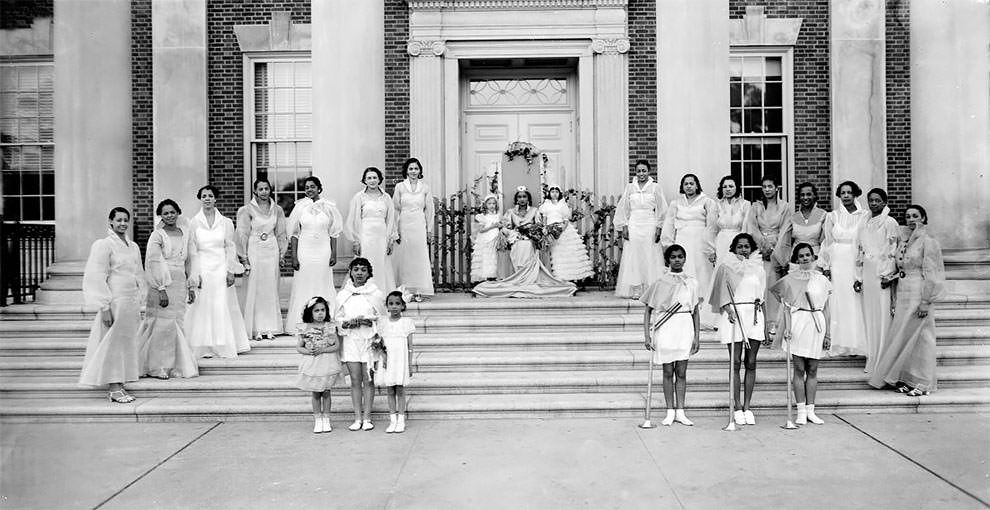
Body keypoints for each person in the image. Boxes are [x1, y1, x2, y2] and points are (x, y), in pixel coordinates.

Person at [869, 205, 945, 396]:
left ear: (924, 217)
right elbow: (902, 268)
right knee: (904, 336)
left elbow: (932, 274)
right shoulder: (905, 241)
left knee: (922, 338)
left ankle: (923, 382)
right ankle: (907, 379)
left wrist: (926, 301)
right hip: (904, 292)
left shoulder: (928, 242)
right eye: (908, 216)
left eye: (915, 216)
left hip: (920, 293)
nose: (911, 219)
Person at [79, 207, 147, 403]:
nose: (123, 223)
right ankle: (114, 387)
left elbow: (138, 273)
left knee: (126, 341)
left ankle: (121, 381)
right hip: (115, 299)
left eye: (126, 220)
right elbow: (96, 275)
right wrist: (104, 305)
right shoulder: (104, 245)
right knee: (112, 342)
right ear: (110, 222)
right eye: (118, 220)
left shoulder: (132, 246)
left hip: (130, 300)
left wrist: (140, 297)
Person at [708, 233, 767, 425]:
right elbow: (720, 294)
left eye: (747, 246)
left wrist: (765, 326)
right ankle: (737, 405)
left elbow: (762, 297)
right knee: (735, 362)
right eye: (740, 246)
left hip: (754, 316)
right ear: (734, 248)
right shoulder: (726, 267)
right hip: (734, 315)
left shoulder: (758, 269)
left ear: (751, 248)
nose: (743, 249)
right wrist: (728, 310)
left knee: (751, 363)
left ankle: (748, 406)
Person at [184, 185, 250, 359]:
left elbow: (230, 246)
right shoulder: (193, 222)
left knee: (221, 303)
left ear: (215, 199)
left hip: (221, 266)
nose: (207, 198)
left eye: (210, 195)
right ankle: (204, 345)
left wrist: (230, 270)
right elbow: (192, 250)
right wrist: (194, 273)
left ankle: (222, 344)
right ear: (200, 198)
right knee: (203, 304)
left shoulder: (226, 222)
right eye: (204, 195)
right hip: (203, 267)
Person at [136, 199, 199, 380]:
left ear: (178, 212)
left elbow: (189, 260)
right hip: (162, 284)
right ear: (160, 216)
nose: (170, 216)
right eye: (165, 213)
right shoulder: (157, 235)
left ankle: (174, 364)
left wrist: (191, 285)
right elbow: (154, 262)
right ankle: (156, 366)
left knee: (176, 322)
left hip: (179, 282)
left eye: (172, 212)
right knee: (161, 324)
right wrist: (161, 288)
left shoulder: (186, 233)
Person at [770, 243, 832, 425]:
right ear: (797, 259)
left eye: (808, 255)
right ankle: (800, 411)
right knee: (799, 369)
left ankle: (811, 411)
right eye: (801, 256)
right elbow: (786, 307)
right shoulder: (790, 279)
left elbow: (827, 308)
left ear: (813, 257)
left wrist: (828, 334)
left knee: (812, 369)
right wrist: (787, 329)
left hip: (816, 323)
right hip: (799, 323)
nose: (805, 258)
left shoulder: (822, 280)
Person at [641, 244, 701, 426]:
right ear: (667, 260)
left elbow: (695, 311)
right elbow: (648, 311)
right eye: (673, 257)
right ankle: (669, 411)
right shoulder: (660, 282)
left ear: (685, 258)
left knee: (681, 372)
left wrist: (697, 336)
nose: (677, 260)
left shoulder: (692, 282)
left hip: (684, 327)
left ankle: (681, 411)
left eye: (680, 256)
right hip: (666, 328)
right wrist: (647, 336)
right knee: (668, 371)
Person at [285, 176, 344, 334]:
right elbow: (295, 234)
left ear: (319, 188)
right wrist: (294, 256)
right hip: (305, 249)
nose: (309, 190)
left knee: (322, 281)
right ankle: (302, 321)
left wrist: (334, 253)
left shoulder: (329, 207)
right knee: (304, 282)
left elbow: (334, 232)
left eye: (312, 187)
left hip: (323, 249)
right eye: (307, 187)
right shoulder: (300, 207)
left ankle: (325, 320)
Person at [335, 257, 386, 431]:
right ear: (350, 271)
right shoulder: (343, 295)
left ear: (368, 273)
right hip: (351, 341)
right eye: (356, 269)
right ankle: (357, 417)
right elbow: (338, 319)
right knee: (355, 380)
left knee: (368, 379)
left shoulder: (376, 294)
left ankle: (367, 417)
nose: (359, 273)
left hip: (369, 341)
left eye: (363, 270)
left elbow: (381, 319)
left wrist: (369, 322)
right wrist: (349, 323)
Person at [821, 181, 869, 357]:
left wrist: (862, 267)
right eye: (843, 193)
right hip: (837, 261)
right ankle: (840, 343)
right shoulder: (832, 216)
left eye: (849, 192)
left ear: (855, 194)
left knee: (854, 300)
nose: (846, 195)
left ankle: (856, 343)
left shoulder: (864, 216)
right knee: (838, 300)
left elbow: (865, 241)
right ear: (839, 195)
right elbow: (827, 242)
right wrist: (826, 266)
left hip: (855, 261)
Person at [855, 188, 900, 373]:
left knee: (882, 315)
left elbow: (893, 249)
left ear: (884, 202)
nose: (874, 203)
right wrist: (857, 276)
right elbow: (859, 249)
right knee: (870, 315)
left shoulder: (890, 222)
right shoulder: (864, 222)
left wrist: (888, 275)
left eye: (877, 200)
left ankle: (883, 359)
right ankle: (872, 357)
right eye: (871, 200)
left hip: (882, 273)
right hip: (867, 272)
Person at [662, 174, 717, 326]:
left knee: (701, 273)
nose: (689, 186)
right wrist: (667, 244)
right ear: (682, 186)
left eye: (692, 183)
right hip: (682, 240)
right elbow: (669, 223)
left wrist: (711, 247)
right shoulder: (676, 203)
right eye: (686, 184)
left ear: (697, 185)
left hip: (700, 242)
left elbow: (712, 225)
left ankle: (703, 311)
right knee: (684, 271)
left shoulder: (707, 202)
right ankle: (681, 306)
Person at [236, 178, 288, 340]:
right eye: (261, 189)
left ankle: (270, 327)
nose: (264, 192)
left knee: (270, 287)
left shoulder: (277, 209)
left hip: (271, 248)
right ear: (255, 191)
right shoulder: (246, 210)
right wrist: (244, 258)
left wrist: (281, 254)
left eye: (266, 188)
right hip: (254, 247)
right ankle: (256, 328)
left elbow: (281, 233)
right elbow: (242, 234)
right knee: (256, 287)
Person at [615, 160, 667, 298]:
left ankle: (650, 287)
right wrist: (624, 226)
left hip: (649, 223)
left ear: (649, 171)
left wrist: (659, 227)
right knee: (634, 255)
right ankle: (636, 288)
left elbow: (662, 209)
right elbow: (624, 208)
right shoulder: (630, 187)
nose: (641, 174)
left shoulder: (656, 187)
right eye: (639, 171)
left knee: (650, 254)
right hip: (634, 224)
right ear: (635, 172)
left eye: (644, 171)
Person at [345, 167, 398, 293]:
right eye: (369, 178)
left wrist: (391, 240)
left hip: (382, 236)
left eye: (375, 177)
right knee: (366, 262)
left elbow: (391, 219)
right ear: (364, 180)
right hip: (365, 235)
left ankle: (382, 292)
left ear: (379, 179)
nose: (372, 180)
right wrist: (356, 240)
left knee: (382, 263)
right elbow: (352, 219)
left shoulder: (386, 198)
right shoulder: (359, 197)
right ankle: (364, 290)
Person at [294, 296, 343, 434]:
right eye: (316, 310)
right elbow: (299, 347)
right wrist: (308, 351)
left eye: (323, 310)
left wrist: (322, 350)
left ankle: (326, 419)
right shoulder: (305, 328)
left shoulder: (331, 327)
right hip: (313, 363)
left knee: (326, 392)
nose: (320, 313)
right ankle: (318, 419)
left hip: (327, 362)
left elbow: (336, 346)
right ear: (310, 312)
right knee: (316, 393)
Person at [749, 176, 790, 334]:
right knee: (759, 285)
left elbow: (786, 229)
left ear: (776, 188)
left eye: (770, 186)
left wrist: (775, 251)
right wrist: (763, 247)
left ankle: (773, 321)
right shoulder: (756, 207)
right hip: (760, 250)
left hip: (777, 250)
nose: (767, 189)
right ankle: (759, 320)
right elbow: (752, 227)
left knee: (773, 285)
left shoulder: (784, 207)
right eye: (764, 187)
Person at [392, 158, 435, 302]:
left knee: (419, 255)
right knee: (404, 256)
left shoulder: (425, 188)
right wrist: (395, 230)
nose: (413, 172)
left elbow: (429, 210)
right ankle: (404, 289)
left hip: (418, 224)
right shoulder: (400, 187)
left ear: (420, 171)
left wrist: (429, 230)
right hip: (404, 224)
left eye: (416, 169)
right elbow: (395, 209)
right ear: (406, 171)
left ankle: (419, 289)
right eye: (411, 169)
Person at [376, 291, 416, 434]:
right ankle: (392, 419)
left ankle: (401, 419)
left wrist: (410, 365)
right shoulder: (383, 322)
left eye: (397, 304)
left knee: (400, 389)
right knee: (390, 389)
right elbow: (379, 343)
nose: (394, 307)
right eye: (391, 304)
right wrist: (383, 357)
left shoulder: (407, 322)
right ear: (386, 306)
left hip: (401, 360)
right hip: (389, 360)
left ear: (403, 305)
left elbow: (410, 346)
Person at [539, 185, 594, 282]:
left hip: (563, 230)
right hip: (550, 229)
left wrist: (561, 229)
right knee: (555, 254)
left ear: (559, 193)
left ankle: (570, 278)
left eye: (556, 192)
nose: (554, 194)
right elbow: (544, 218)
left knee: (567, 253)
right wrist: (545, 228)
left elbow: (566, 219)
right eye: (552, 192)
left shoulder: (562, 204)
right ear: (549, 193)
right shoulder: (546, 204)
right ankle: (557, 278)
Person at [774, 181, 827, 269]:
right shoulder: (793, 217)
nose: (805, 197)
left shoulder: (823, 215)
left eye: (809, 194)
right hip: (796, 259)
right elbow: (785, 242)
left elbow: (826, 241)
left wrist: (824, 263)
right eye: (802, 195)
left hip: (816, 258)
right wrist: (785, 260)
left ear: (814, 196)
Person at [710, 175, 752, 269]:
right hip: (721, 242)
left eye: (731, 186)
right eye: (725, 187)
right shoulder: (716, 205)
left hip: (737, 241)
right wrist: (712, 249)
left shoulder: (745, 204)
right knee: (721, 269)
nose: (728, 189)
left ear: (736, 187)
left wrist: (743, 247)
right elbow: (711, 230)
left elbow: (747, 227)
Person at [502, 187, 540, 271]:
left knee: (527, 245)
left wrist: (531, 231)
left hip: (530, 238)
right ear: (516, 199)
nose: (522, 199)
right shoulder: (511, 212)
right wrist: (514, 232)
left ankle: (527, 273)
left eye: (524, 196)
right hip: (516, 238)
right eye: (519, 197)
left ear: (528, 198)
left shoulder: (534, 211)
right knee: (517, 246)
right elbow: (505, 227)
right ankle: (518, 272)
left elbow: (539, 226)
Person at [471, 195, 502, 282]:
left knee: (494, 258)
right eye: (489, 204)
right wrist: (492, 226)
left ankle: (492, 276)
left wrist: (499, 226)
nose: (492, 205)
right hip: (486, 239)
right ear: (485, 205)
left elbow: (500, 225)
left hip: (495, 239)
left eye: (493, 203)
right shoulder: (483, 216)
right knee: (486, 258)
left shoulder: (498, 216)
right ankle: (484, 277)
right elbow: (481, 230)